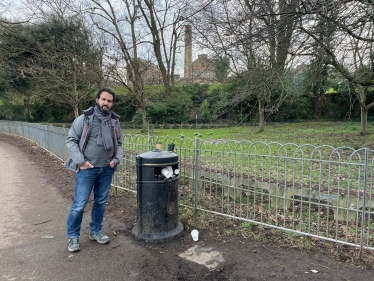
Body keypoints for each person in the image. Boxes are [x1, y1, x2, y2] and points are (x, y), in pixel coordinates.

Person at [63, 87, 122, 252]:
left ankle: (95, 231)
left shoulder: (114, 121)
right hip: (87, 169)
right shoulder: (85, 118)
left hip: (106, 169)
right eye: (103, 99)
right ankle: (73, 237)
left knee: (100, 203)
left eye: (109, 101)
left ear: (112, 103)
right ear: (97, 100)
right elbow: (71, 140)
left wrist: (116, 160)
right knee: (79, 204)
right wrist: (81, 162)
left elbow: (120, 143)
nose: (106, 103)